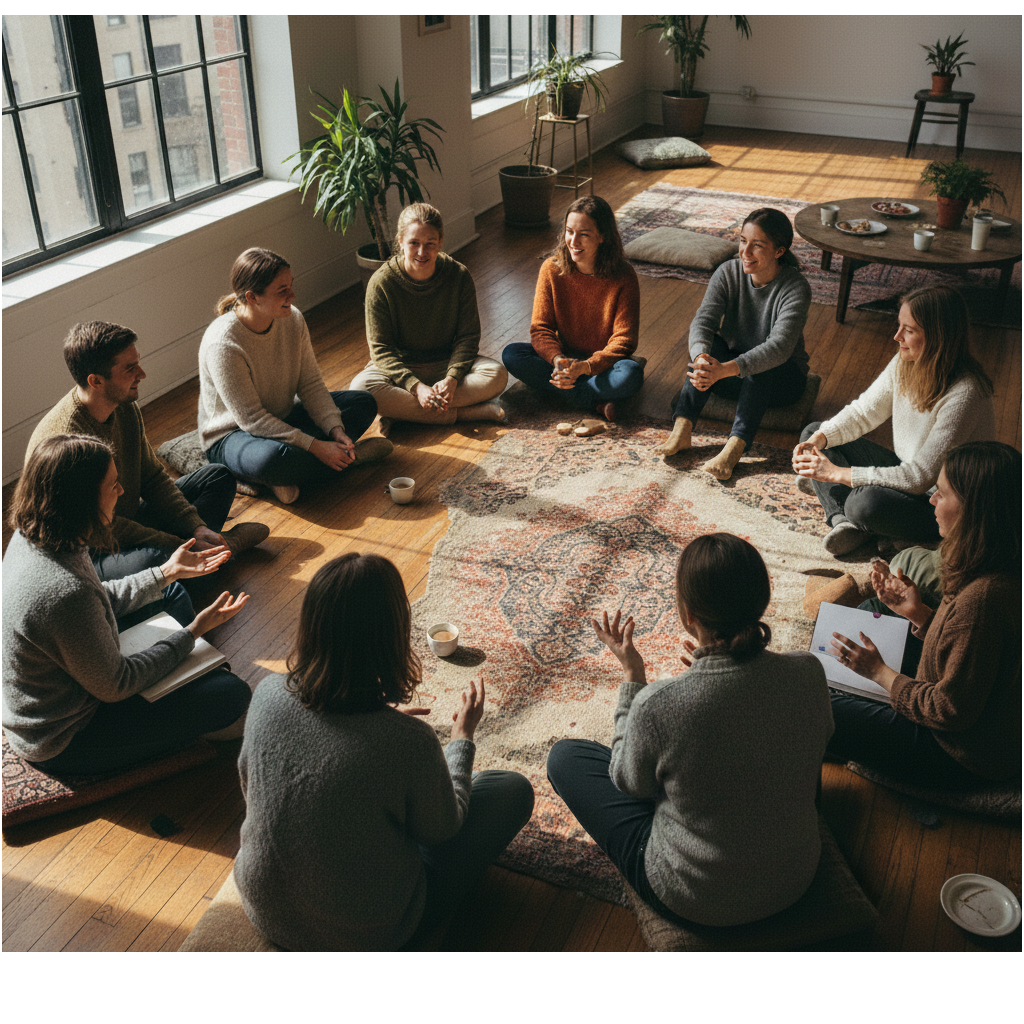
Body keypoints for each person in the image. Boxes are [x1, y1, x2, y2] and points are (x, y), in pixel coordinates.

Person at [234, 553, 534, 952]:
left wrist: (377, 725)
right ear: (392, 636)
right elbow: (443, 829)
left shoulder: (268, 693)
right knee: (510, 789)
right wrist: (461, 738)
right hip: (365, 934)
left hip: (265, 907)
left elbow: (251, 780)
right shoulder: (409, 742)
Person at [546, 534, 834, 928]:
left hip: (697, 898)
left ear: (689, 615)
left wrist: (634, 677)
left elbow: (628, 782)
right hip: (796, 879)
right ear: (761, 600)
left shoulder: (657, 704)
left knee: (566, 757)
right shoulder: (808, 671)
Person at [2, 435, 252, 776]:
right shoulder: (63, 590)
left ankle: (182, 679)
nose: (121, 492)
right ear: (83, 499)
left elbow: (98, 598)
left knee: (173, 593)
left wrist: (166, 572)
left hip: (74, 677)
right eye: (114, 485)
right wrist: (193, 633)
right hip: (66, 735)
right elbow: (118, 683)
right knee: (232, 695)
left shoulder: (38, 534)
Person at [826, 442, 1021, 786]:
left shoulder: (983, 599)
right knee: (874, 611)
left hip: (958, 751)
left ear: (973, 511)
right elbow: (970, 652)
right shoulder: (991, 559)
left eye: (942, 494)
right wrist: (919, 615)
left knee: (815, 707)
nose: (931, 500)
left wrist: (880, 674)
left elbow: (949, 710)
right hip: (958, 704)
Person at [27, 321, 268, 583]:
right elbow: (104, 527)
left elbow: (151, 477)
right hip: (90, 554)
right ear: (96, 381)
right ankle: (220, 551)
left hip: (129, 521)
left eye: (137, 363)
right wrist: (175, 543)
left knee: (217, 477)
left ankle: (202, 557)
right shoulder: (69, 443)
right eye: (130, 369)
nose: (141, 374)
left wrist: (194, 526)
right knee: (154, 561)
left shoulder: (123, 405)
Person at [793, 285, 995, 556]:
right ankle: (843, 524)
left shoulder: (966, 393)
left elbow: (920, 478)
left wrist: (837, 474)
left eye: (908, 330)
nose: (896, 336)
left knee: (864, 504)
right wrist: (822, 438)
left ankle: (846, 506)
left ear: (939, 337)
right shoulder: (905, 362)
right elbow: (863, 412)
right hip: (909, 472)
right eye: (899, 325)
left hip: (942, 504)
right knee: (815, 431)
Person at [199, 248, 390, 505]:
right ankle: (350, 461)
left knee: (363, 403)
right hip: (233, 436)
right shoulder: (223, 344)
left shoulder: (293, 318)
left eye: (291, 285)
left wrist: (336, 430)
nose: (293, 295)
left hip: (281, 417)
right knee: (273, 460)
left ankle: (295, 475)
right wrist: (317, 447)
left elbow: (310, 383)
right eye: (282, 290)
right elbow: (252, 420)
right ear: (252, 297)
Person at [655, 207, 811, 480]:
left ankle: (735, 446)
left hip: (781, 381)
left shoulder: (795, 287)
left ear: (779, 251)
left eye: (757, 245)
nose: (745, 252)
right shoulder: (727, 273)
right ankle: (682, 428)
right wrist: (703, 358)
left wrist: (725, 370)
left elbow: (780, 347)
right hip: (728, 374)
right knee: (707, 348)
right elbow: (703, 322)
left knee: (762, 364)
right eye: (742, 241)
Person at [350, 203, 508, 429]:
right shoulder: (381, 283)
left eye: (430, 244)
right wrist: (416, 387)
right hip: (402, 368)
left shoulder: (458, 275)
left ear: (440, 242)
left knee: (497, 375)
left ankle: (403, 412)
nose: (422, 252)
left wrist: (453, 378)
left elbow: (468, 336)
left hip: (445, 364)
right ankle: (463, 414)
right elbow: (380, 349)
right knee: (360, 389)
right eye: (414, 243)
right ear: (401, 241)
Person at [502, 195, 644, 424]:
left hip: (602, 365)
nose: (573, 241)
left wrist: (587, 367)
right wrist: (558, 360)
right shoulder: (551, 269)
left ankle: (564, 395)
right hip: (565, 358)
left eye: (584, 234)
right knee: (512, 354)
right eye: (569, 231)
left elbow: (625, 340)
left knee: (630, 373)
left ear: (602, 237)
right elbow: (541, 328)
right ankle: (594, 401)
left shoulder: (624, 276)